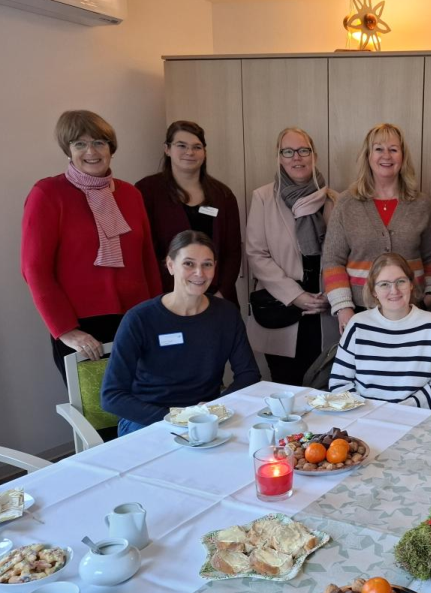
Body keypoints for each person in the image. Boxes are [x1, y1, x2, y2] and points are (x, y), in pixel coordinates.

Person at [21, 110, 162, 382]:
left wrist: (156, 317)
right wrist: (65, 330)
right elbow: (34, 269)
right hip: (82, 330)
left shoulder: (130, 194)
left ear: (111, 148)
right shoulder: (48, 194)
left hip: (135, 323)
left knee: (146, 413)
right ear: (68, 149)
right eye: (79, 144)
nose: (91, 151)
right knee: (99, 420)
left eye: (99, 142)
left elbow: (147, 263)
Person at [101, 231, 260, 435]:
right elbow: (111, 396)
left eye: (207, 264)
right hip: (149, 419)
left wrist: (216, 405)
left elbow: (248, 374)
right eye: (189, 264)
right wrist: (176, 416)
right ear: (170, 265)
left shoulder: (227, 314)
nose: (199, 273)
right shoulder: (140, 319)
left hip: (207, 417)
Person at [323, 123, 431, 334]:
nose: (386, 156)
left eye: (393, 149)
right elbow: (332, 260)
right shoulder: (346, 203)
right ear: (368, 156)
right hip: (358, 311)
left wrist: (430, 294)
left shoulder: (423, 204)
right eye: (379, 149)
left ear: (402, 157)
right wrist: (343, 308)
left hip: (411, 311)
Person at [245, 127, 336, 386]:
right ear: (280, 158)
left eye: (303, 150)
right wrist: (296, 296)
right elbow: (256, 253)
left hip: (324, 307)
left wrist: (329, 295)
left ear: (314, 155)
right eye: (288, 151)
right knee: (286, 388)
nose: (297, 157)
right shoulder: (263, 197)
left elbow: (343, 256)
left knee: (324, 391)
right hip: (283, 307)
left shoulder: (335, 200)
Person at [136, 120, 242, 306]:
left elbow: (232, 251)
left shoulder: (222, 194)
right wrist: (171, 295)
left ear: (204, 152)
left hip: (216, 296)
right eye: (181, 145)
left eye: (197, 147)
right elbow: (145, 251)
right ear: (167, 149)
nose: (190, 152)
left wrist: (222, 292)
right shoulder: (147, 191)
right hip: (168, 297)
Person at [329, 253, 431, 409]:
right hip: (364, 415)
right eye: (384, 284)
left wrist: (405, 408)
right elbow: (339, 381)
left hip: (413, 415)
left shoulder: (430, 323)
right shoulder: (358, 324)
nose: (394, 290)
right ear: (374, 291)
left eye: (401, 281)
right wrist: (367, 410)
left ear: (411, 284)